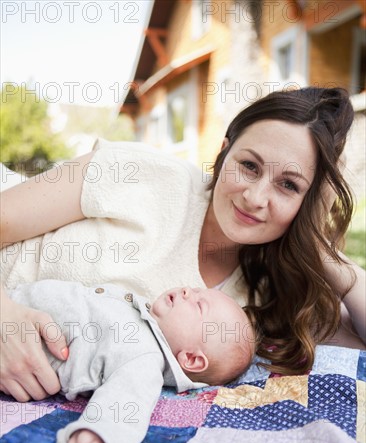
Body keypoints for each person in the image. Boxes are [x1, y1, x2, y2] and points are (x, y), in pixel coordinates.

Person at [1, 87, 365, 403]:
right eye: (249, 166)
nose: (255, 197)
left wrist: (321, 250)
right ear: (224, 154)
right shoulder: (142, 173)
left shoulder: (270, 288)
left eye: (289, 185)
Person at [6, 280, 255, 443]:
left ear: (190, 359)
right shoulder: (143, 316)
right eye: (195, 289)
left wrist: (101, 437)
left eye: (199, 305)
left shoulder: (143, 360)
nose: (188, 292)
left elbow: (127, 402)